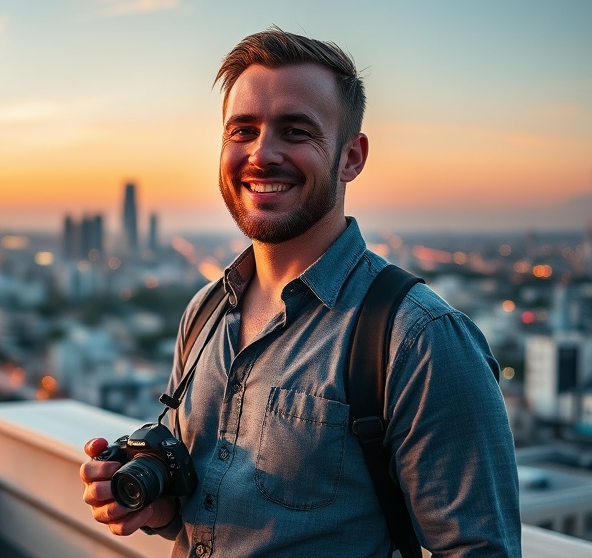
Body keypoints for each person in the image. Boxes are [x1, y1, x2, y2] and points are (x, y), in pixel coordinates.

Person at [80, 27, 521, 557]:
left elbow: (479, 550)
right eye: (241, 130)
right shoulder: (205, 313)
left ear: (351, 157)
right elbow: (215, 512)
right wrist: (160, 507)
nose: (261, 154)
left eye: (295, 131)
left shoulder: (418, 339)